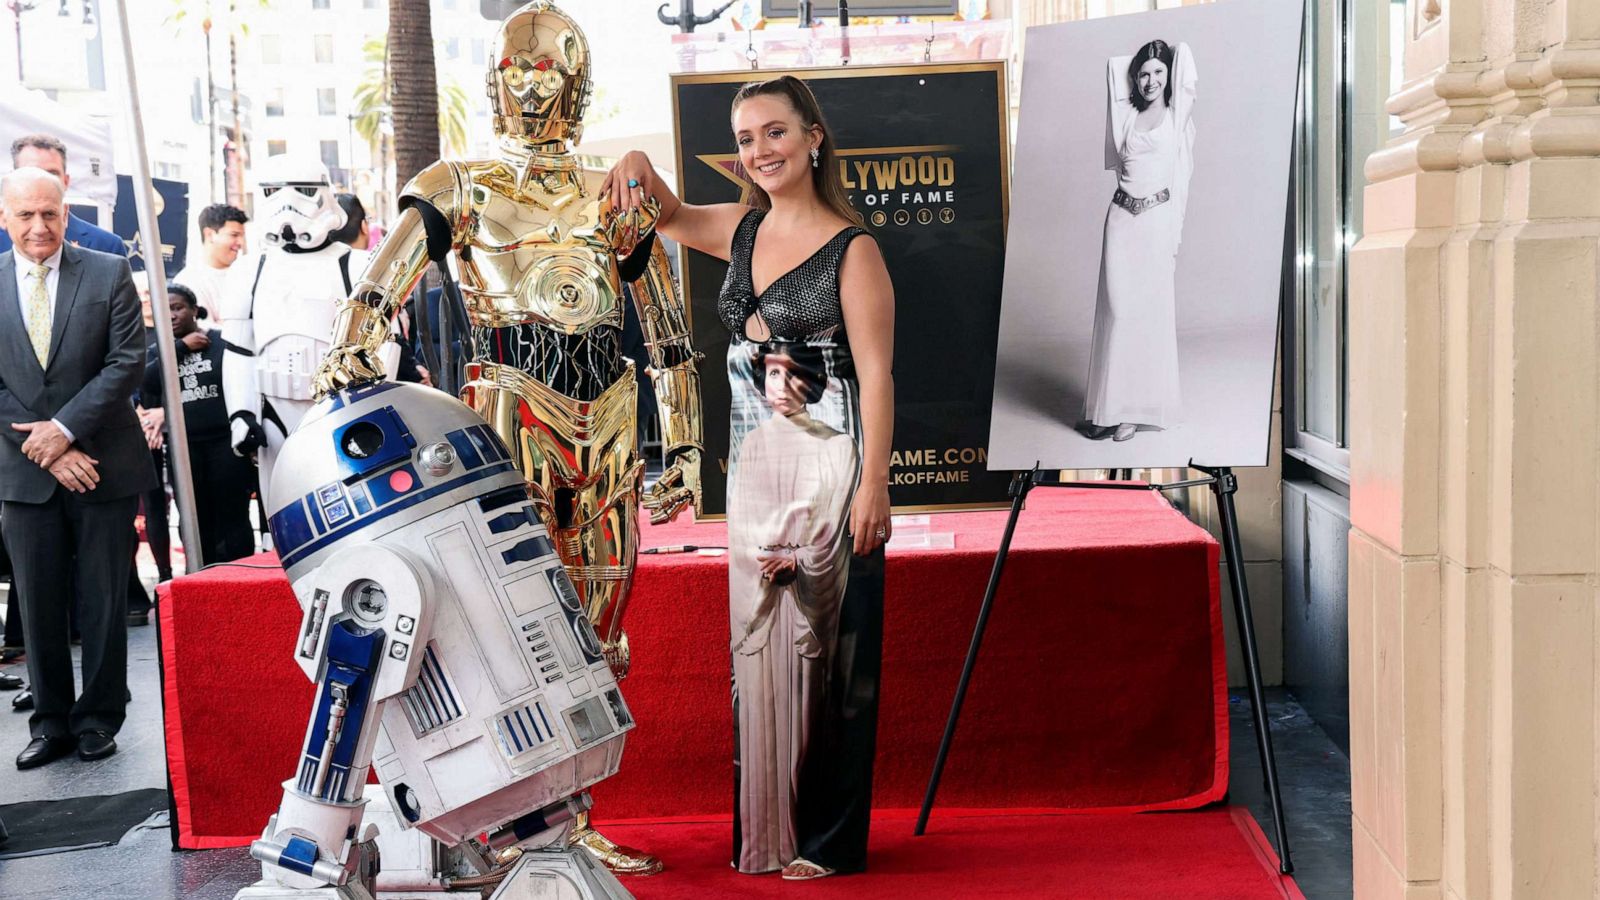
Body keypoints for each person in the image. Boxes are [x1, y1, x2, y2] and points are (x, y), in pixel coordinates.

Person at [604, 73, 895, 880]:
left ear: (813, 138)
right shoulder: (737, 228)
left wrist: (875, 486)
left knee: (831, 652)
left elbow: (877, 377)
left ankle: (829, 841)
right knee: (758, 650)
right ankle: (767, 836)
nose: (758, 150)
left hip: (830, 467)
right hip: (757, 471)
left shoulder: (853, 247)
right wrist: (632, 155)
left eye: (774, 132)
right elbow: (657, 206)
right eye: (743, 138)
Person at [0, 167, 155, 769]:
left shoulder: (109, 270)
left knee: (102, 599)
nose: (39, 227)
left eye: (50, 213)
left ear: (66, 213)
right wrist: (47, 448)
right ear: (5, 216)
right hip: (22, 470)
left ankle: (98, 717)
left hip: (103, 464)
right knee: (36, 602)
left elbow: (126, 363)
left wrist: (63, 432)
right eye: (25, 214)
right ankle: (51, 723)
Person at [1079, 39, 1197, 443]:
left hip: (1156, 222)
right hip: (1120, 221)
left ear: (1170, 76)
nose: (1150, 80)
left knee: (1146, 313)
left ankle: (1131, 412)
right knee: (1118, 310)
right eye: (1144, 73)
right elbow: (1114, 70)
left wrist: (1165, 54)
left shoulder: (1177, 116)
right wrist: (1140, 61)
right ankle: (1107, 408)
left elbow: (1186, 65)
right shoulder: (1125, 116)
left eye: (1159, 72)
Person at [140, 284, 257, 564]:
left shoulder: (221, 341)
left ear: (195, 310)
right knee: (193, 516)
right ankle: (200, 575)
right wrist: (180, 348)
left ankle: (239, 574)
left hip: (225, 445)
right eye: (164, 310)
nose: (171, 315)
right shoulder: (158, 351)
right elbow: (146, 382)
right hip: (184, 448)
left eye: (178, 307)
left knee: (232, 512)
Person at [0, 134, 124, 257]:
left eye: (52, 174)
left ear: (65, 181)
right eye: (32, 173)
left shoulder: (106, 245)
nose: (43, 182)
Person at [171, 203, 248, 326]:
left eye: (242, 236)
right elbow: (206, 332)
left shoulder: (248, 274)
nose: (241, 243)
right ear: (210, 235)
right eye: (234, 235)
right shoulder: (188, 281)